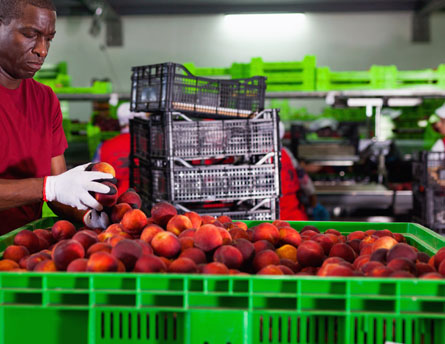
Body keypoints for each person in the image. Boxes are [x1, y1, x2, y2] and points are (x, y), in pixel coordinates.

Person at [0, 0, 114, 234]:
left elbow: (59, 188)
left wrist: (89, 214)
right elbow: (51, 187)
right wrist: (49, 187)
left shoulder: (44, 100)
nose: (42, 49)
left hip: (21, 252)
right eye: (31, 34)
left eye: (49, 39)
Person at [279, 122, 330, 221]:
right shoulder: (286, 153)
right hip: (294, 217)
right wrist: (315, 204)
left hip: (273, 222)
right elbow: (305, 182)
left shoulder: (252, 158)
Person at [93, 102, 146, 196]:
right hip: (142, 199)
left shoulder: (104, 146)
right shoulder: (147, 144)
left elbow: (94, 174)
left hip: (114, 200)